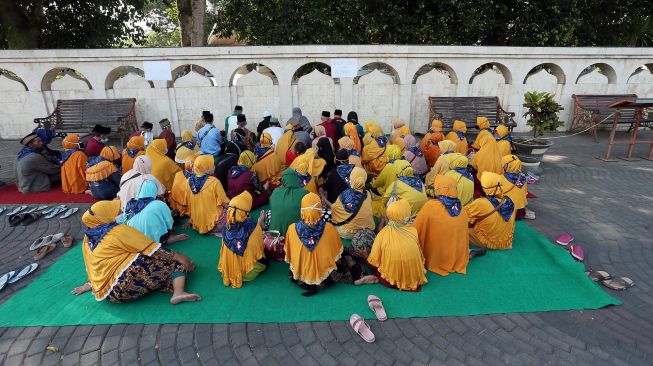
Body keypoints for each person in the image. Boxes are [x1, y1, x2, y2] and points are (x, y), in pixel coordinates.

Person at [72, 200, 201, 304]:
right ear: (105, 216)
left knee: (141, 261)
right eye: (112, 211)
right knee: (175, 263)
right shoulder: (116, 230)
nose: (117, 213)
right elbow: (152, 249)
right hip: (124, 285)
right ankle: (178, 292)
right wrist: (181, 257)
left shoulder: (87, 239)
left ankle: (167, 282)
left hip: (110, 294)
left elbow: (91, 264)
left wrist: (90, 284)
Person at [285, 193, 369, 296]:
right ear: (320, 209)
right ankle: (356, 277)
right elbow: (339, 251)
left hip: (299, 279)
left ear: (302, 209)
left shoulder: (291, 229)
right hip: (327, 279)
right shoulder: (329, 228)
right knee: (345, 254)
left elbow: (290, 254)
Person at [413, 175, 469, 276]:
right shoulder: (461, 208)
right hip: (457, 256)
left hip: (436, 258)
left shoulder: (431, 206)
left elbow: (415, 229)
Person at [367, 199, 428, 291]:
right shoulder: (413, 231)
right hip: (414, 277)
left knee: (373, 264)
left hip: (392, 281)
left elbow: (373, 261)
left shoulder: (383, 234)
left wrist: (365, 257)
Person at [218, 191, 269, 288]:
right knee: (265, 261)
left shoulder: (226, 227)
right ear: (246, 212)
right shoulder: (253, 228)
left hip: (229, 269)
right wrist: (260, 223)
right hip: (247, 273)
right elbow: (259, 250)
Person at [118, 180, 189, 244]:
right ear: (154, 191)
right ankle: (169, 237)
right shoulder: (159, 204)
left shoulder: (130, 203)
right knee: (173, 214)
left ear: (140, 191)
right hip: (153, 239)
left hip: (134, 239)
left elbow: (125, 220)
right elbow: (169, 221)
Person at [465, 171, 516, 250]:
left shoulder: (481, 203)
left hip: (487, 240)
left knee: (459, 231)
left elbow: (464, 217)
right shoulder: (510, 201)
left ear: (485, 187)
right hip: (504, 242)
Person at [185, 155, 230, 234]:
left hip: (197, 222)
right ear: (205, 167)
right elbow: (224, 202)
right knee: (232, 210)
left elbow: (189, 203)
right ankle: (216, 227)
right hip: (213, 222)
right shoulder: (214, 182)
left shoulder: (188, 181)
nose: (213, 166)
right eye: (211, 165)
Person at [330, 167, 375, 239]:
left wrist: (324, 198)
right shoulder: (367, 194)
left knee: (331, 224)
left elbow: (334, 209)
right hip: (368, 228)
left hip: (350, 233)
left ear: (352, 178)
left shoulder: (343, 196)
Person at [268, 168, 309, 237]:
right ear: (296, 179)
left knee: (269, 213)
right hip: (297, 236)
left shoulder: (275, 192)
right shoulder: (305, 193)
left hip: (275, 236)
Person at [501, 154, 532, 220]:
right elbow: (525, 194)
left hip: (506, 212)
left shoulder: (501, 178)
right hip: (520, 212)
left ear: (507, 166)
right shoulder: (523, 179)